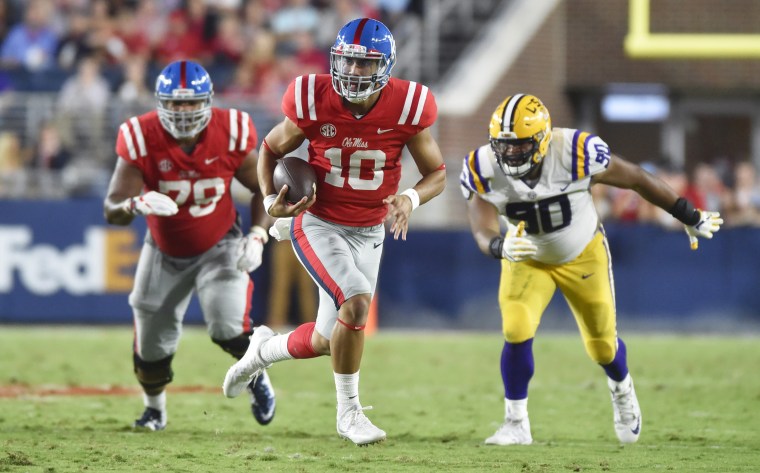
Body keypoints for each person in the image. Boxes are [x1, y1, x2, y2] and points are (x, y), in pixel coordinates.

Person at [222, 18, 447, 446]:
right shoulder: (312, 96)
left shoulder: (408, 105)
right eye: (348, 62)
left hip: (370, 229)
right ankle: (349, 413)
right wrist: (271, 202)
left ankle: (262, 351)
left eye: (366, 65)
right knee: (357, 302)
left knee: (330, 338)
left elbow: (436, 173)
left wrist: (410, 199)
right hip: (319, 222)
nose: (354, 72)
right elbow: (268, 149)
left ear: (386, 66)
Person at [459, 94, 723, 446]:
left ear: (542, 139)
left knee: (602, 346)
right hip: (527, 256)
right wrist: (497, 246)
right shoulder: (482, 166)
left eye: (519, 146)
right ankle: (515, 422)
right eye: (503, 146)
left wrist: (688, 215)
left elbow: (637, 179)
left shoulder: (574, 151)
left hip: (582, 253)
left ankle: (621, 388)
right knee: (515, 327)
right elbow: (481, 224)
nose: (509, 155)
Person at [103, 60, 276, 431]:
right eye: (175, 103)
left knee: (227, 325)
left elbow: (264, 189)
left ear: (208, 101)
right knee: (151, 347)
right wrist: (133, 205)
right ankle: (154, 410)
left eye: (192, 103)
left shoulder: (230, 131)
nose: (183, 112)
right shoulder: (140, 135)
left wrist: (259, 235)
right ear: (160, 102)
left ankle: (257, 375)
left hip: (219, 244)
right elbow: (111, 207)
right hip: (164, 250)